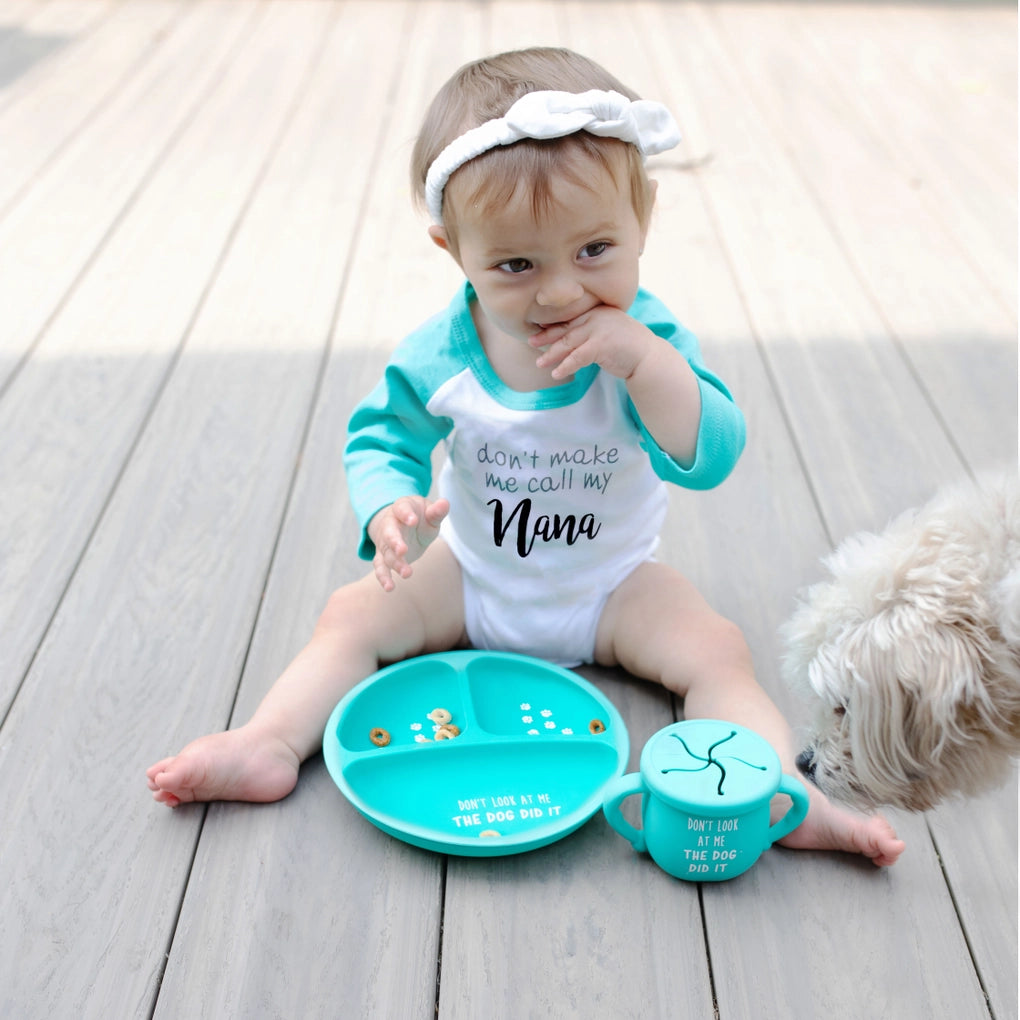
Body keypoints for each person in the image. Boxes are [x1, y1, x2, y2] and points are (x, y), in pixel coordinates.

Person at [147, 47, 904, 866]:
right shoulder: (445, 351)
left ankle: (777, 795)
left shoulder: (650, 343)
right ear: (454, 251)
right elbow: (381, 436)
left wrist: (644, 364)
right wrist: (387, 505)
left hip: (610, 586)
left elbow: (711, 452)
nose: (559, 293)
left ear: (642, 219)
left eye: (594, 252)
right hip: (471, 576)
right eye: (515, 265)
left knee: (716, 650)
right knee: (350, 616)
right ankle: (268, 740)